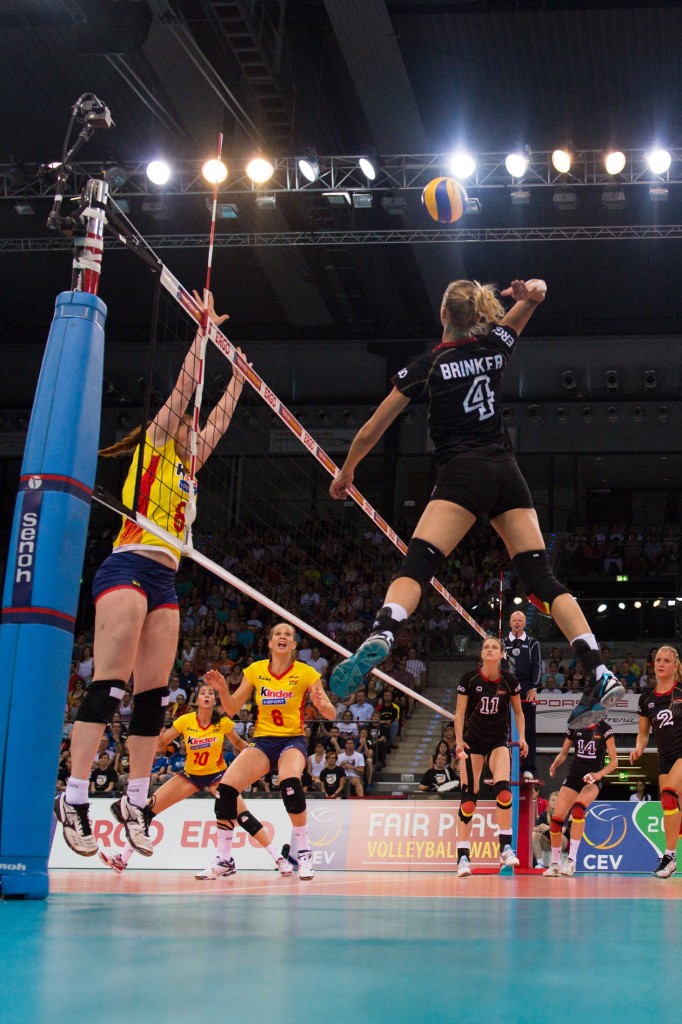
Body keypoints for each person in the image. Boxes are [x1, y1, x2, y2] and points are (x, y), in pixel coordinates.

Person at [328, 277, 623, 730]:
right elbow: (540, 293)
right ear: (475, 314)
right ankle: (599, 670)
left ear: (443, 315)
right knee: (542, 578)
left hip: (462, 472)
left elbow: (372, 428)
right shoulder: (495, 344)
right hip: (507, 472)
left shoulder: (427, 365)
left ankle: (385, 631)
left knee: (418, 565)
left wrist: (346, 471)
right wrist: (527, 293)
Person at [55, 290, 245, 858]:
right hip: (128, 565)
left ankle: (137, 799)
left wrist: (239, 377)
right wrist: (203, 335)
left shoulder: (189, 465)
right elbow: (185, 391)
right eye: (183, 421)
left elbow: (219, 421)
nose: (190, 426)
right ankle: (76, 795)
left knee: (153, 697)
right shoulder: (157, 445)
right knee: (110, 685)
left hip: (165, 577)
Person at [99, 682, 284, 875]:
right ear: (197, 700)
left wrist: (259, 757)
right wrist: (157, 730)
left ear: (214, 700)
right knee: (145, 812)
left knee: (242, 814)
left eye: (210, 693)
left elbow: (238, 743)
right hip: (190, 776)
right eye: (202, 692)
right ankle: (122, 859)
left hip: (217, 776)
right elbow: (161, 746)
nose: (206, 695)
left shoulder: (223, 721)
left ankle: (278, 857)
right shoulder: (185, 720)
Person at [199, 622, 336, 881]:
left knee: (290, 782)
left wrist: (321, 705)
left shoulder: (306, 673)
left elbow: (332, 713)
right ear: (271, 643)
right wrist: (223, 690)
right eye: (278, 634)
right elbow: (231, 709)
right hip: (262, 742)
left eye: (288, 635)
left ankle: (304, 854)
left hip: (291, 741)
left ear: (294, 645)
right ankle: (224, 860)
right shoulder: (255, 670)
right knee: (225, 789)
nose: (283, 637)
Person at [454, 636, 528, 876]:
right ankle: (463, 858)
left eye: (494, 647)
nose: (489, 649)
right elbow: (459, 713)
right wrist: (458, 741)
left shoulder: (509, 680)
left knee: (504, 792)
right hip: (473, 743)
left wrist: (523, 737)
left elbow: (518, 712)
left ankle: (505, 848)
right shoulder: (469, 679)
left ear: (501, 654)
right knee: (468, 801)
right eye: (486, 646)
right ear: (482, 653)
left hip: (497, 741)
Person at [630, 645, 682, 878]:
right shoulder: (646, 699)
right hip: (665, 757)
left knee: (669, 793)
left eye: (666, 660)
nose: (660, 664)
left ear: (675, 666)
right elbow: (643, 733)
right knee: (671, 806)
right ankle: (671, 856)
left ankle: (668, 857)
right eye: (658, 660)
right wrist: (639, 748)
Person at [543, 720, 618, 877]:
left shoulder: (605, 729)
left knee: (578, 810)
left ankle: (571, 862)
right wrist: (555, 764)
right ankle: (555, 864)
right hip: (573, 777)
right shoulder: (575, 726)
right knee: (556, 821)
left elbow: (614, 761)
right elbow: (564, 753)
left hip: (592, 779)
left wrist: (598, 775)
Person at [504, 610, 541, 781]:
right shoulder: (502, 643)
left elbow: (537, 666)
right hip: (506, 687)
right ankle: (507, 765)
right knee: (505, 728)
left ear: (525, 623)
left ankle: (528, 768)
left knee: (528, 729)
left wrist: (534, 687)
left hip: (526, 687)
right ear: (510, 623)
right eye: (514, 620)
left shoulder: (533, 643)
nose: (517, 622)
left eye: (520, 620)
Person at [533, 790, 568, 868]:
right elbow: (534, 828)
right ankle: (540, 863)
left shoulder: (563, 814)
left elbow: (563, 830)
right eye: (552, 800)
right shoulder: (543, 815)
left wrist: (548, 828)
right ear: (549, 801)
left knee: (558, 834)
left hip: (563, 843)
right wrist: (539, 828)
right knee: (534, 835)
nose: (554, 802)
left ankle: (557, 862)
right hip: (548, 843)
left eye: (557, 800)